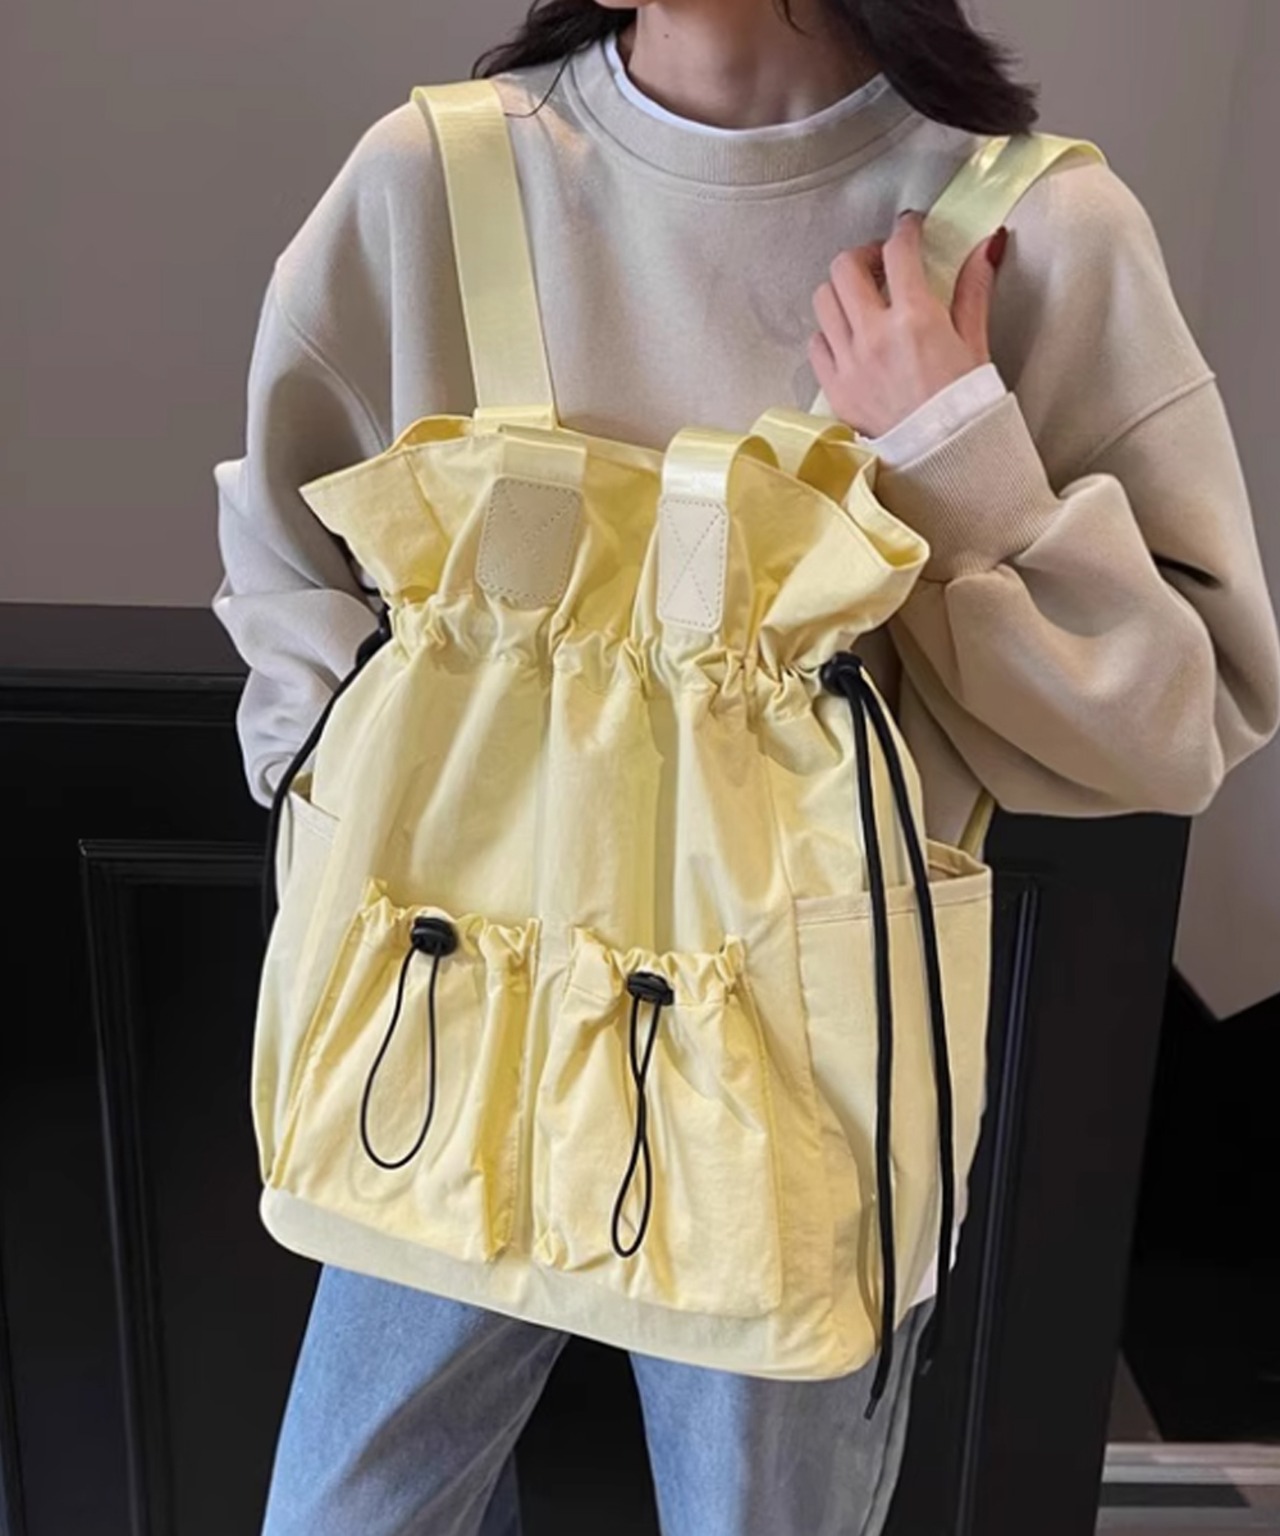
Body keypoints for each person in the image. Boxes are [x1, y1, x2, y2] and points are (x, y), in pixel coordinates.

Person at [212, 2, 1280, 1533]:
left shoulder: (1033, 232)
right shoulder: (434, 180)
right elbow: (285, 552)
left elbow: (1188, 721)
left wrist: (955, 449)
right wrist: (334, 792)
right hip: (451, 1002)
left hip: (791, 1066)